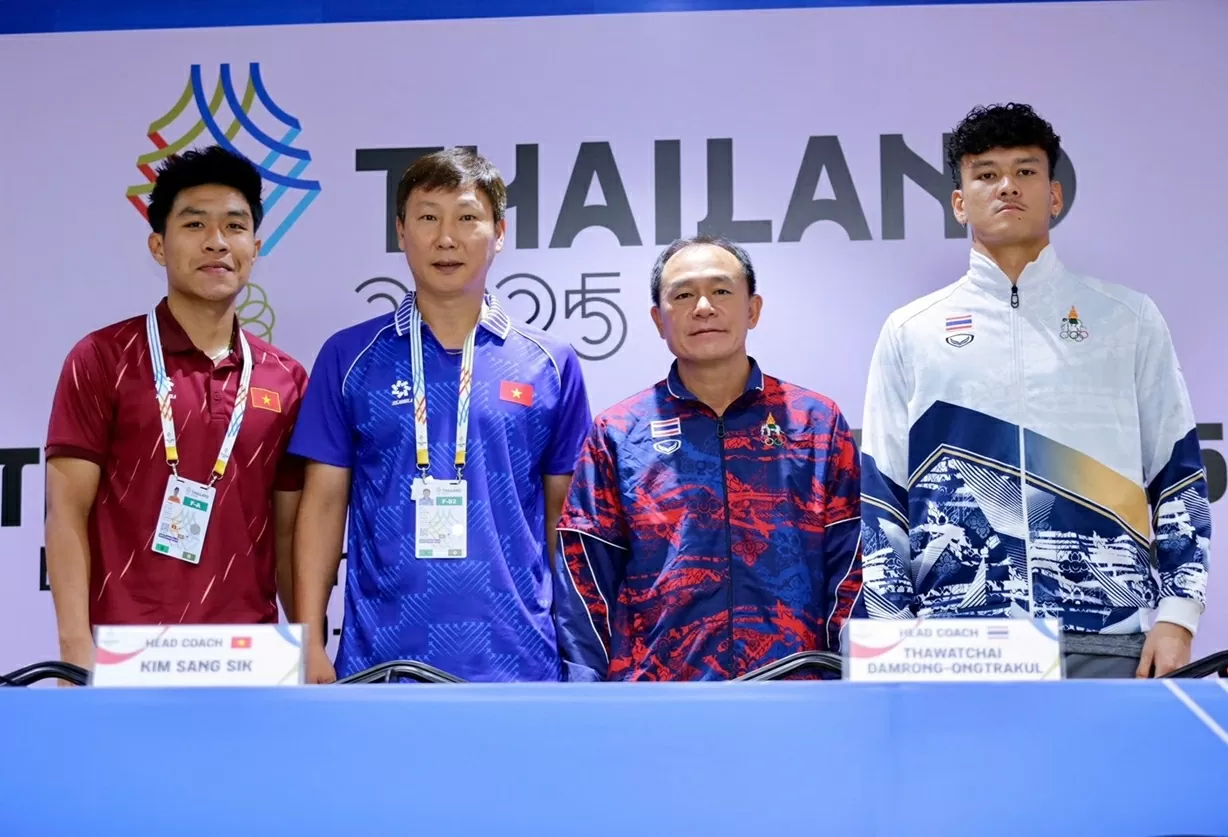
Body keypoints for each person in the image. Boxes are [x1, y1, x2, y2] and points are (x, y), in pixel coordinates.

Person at [858, 103, 1211, 678]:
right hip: (957, 643)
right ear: (959, 202)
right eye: (986, 174)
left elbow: (1177, 474)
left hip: (1106, 635)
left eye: (1025, 171)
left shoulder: (1127, 318)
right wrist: (892, 634)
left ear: (1055, 196)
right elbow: (882, 494)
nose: (1007, 187)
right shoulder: (911, 330)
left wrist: (1178, 615)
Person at [289, 147, 592, 683]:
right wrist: (309, 640)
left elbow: (563, 522)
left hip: (518, 661)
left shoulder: (549, 362)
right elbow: (324, 504)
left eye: (467, 218)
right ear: (401, 231)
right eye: (428, 217)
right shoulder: (350, 356)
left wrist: (577, 653)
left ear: (499, 232)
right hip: (380, 660)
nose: (446, 238)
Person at [44, 146, 308, 676]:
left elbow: (288, 537)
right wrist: (75, 650)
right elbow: (66, 512)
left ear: (255, 248)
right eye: (194, 224)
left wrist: (307, 646)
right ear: (158, 246)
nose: (217, 241)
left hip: (251, 661)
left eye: (234, 226)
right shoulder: (102, 358)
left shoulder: (287, 379)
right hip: (125, 658)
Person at [552, 235, 863, 681]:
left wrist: (846, 678)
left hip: (796, 689)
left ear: (753, 309)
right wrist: (588, 691)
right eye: (683, 295)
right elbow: (586, 580)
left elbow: (852, 565)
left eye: (721, 291)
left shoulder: (815, 423)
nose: (703, 307)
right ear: (658, 319)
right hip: (660, 696)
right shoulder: (618, 433)